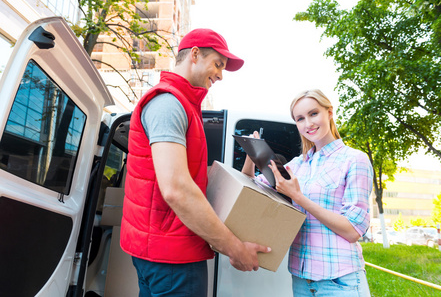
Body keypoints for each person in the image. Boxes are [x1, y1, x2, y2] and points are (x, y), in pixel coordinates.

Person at [120, 28, 270, 297]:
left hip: (160, 252)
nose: (221, 75)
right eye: (218, 64)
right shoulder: (169, 103)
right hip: (172, 259)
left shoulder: (183, 104)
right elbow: (176, 189)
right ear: (195, 54)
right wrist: (235, 249)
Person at [242, 89, 373, 297]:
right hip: (302, 281)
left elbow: (352, 230)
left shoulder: (354, 159)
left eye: (313, 114)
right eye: (300, 119)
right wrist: (252, 153)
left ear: (329, 112)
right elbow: (249, 186)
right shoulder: (298, 165)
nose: (308, 124)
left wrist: (299, 198)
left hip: (339, 281)